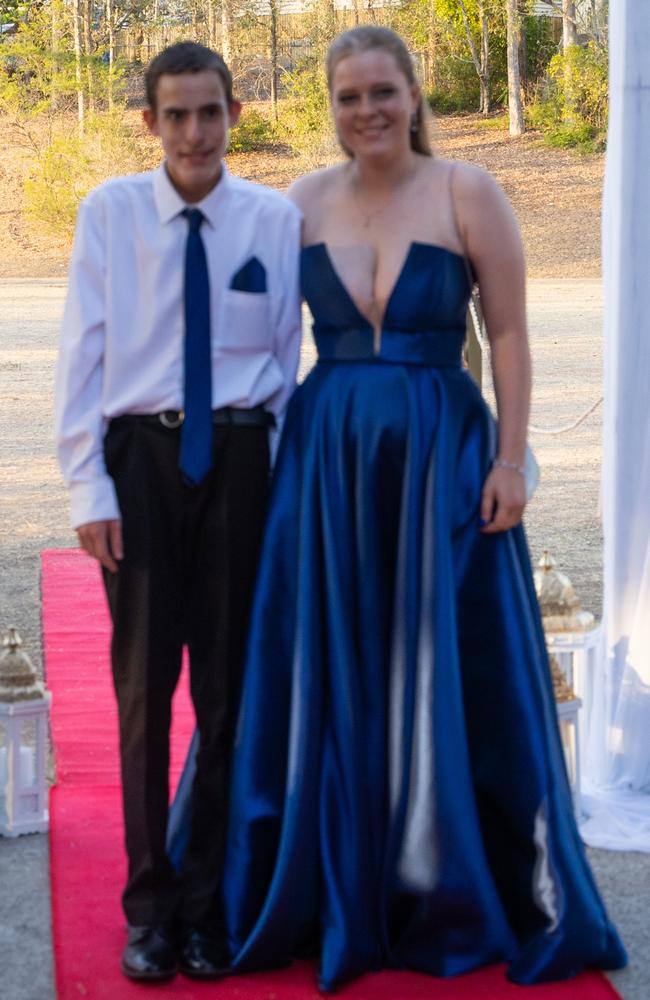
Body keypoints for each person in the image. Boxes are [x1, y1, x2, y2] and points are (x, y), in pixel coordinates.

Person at [172, 24, 627, 993]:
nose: (366, 111)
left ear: (412, 95)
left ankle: (449, 883)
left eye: (382, 91)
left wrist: (512, 458)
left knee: (451, 667)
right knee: (319, 669)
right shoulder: (294, 204)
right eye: (347, 97)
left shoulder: (469, 193)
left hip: (442, 456)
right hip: (326, 460)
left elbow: (505, 333)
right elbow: (240, 332)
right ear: (329, 108)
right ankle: (298, 877)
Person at [54, 42, 302, 983]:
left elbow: (282, 356)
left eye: (210, 112)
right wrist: (90, 487)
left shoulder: (272, 220)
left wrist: (273, 489)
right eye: (176, 114)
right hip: (143, 463)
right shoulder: (110, 214)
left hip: (239, 460)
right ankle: (149, 908)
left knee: (228, 697)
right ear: (149, 122)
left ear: (236, 114)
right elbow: (82, 352)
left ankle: (209, 909)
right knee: (143, 692)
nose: (194, 131)